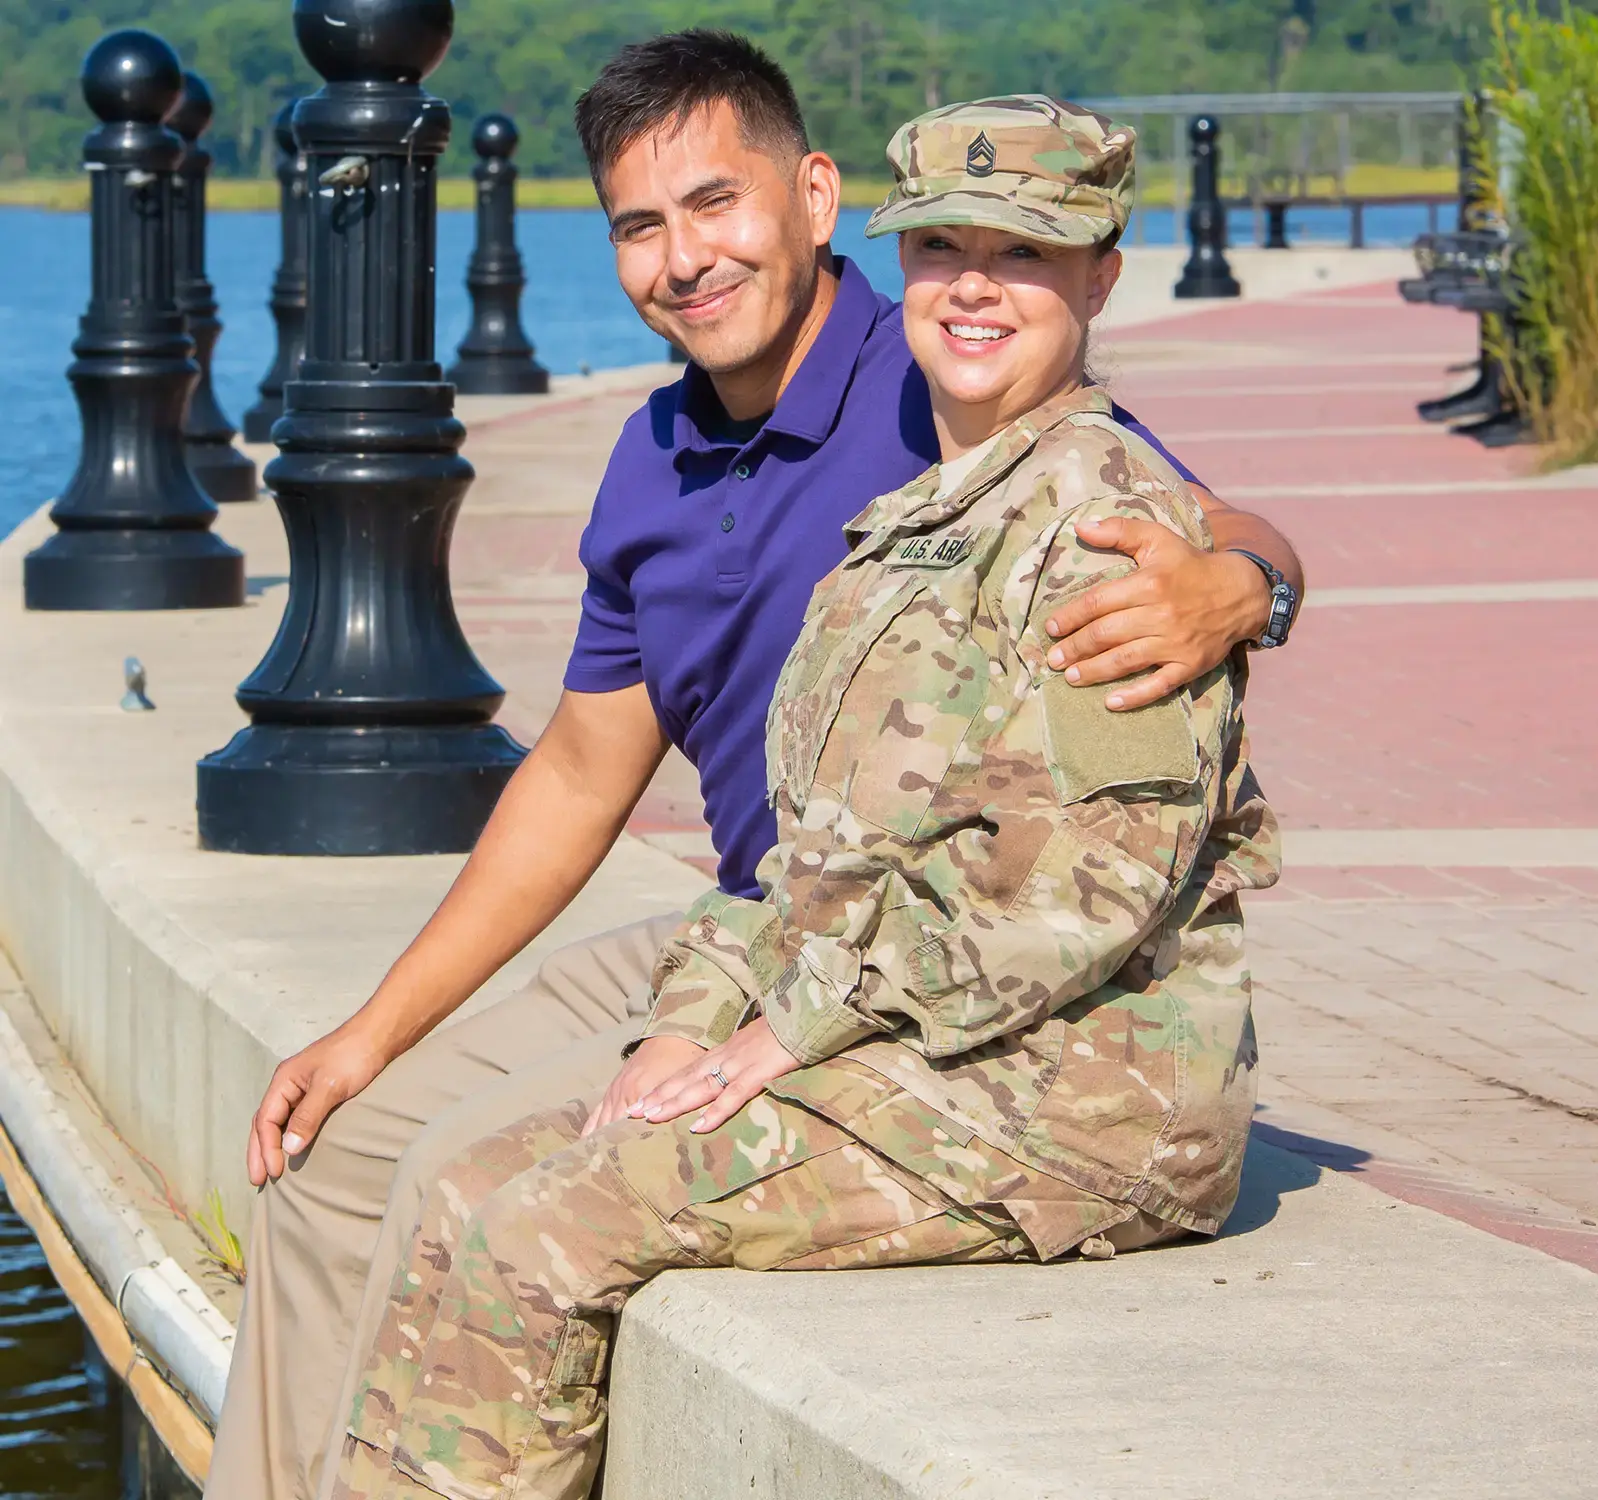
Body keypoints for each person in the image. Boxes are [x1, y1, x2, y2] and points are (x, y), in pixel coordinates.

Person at [205, 34, 1301, 1500]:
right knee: (333, 1155)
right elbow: (583, 772)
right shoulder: (657, 452)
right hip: (759, 927)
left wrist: (1245, 593)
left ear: (815, 198)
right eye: (642, 226)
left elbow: (1203, 540)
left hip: (892, 981)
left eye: (717, 205)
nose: (684, 258)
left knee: (489, 1190)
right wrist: (369, 1031)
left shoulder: (942, 384)